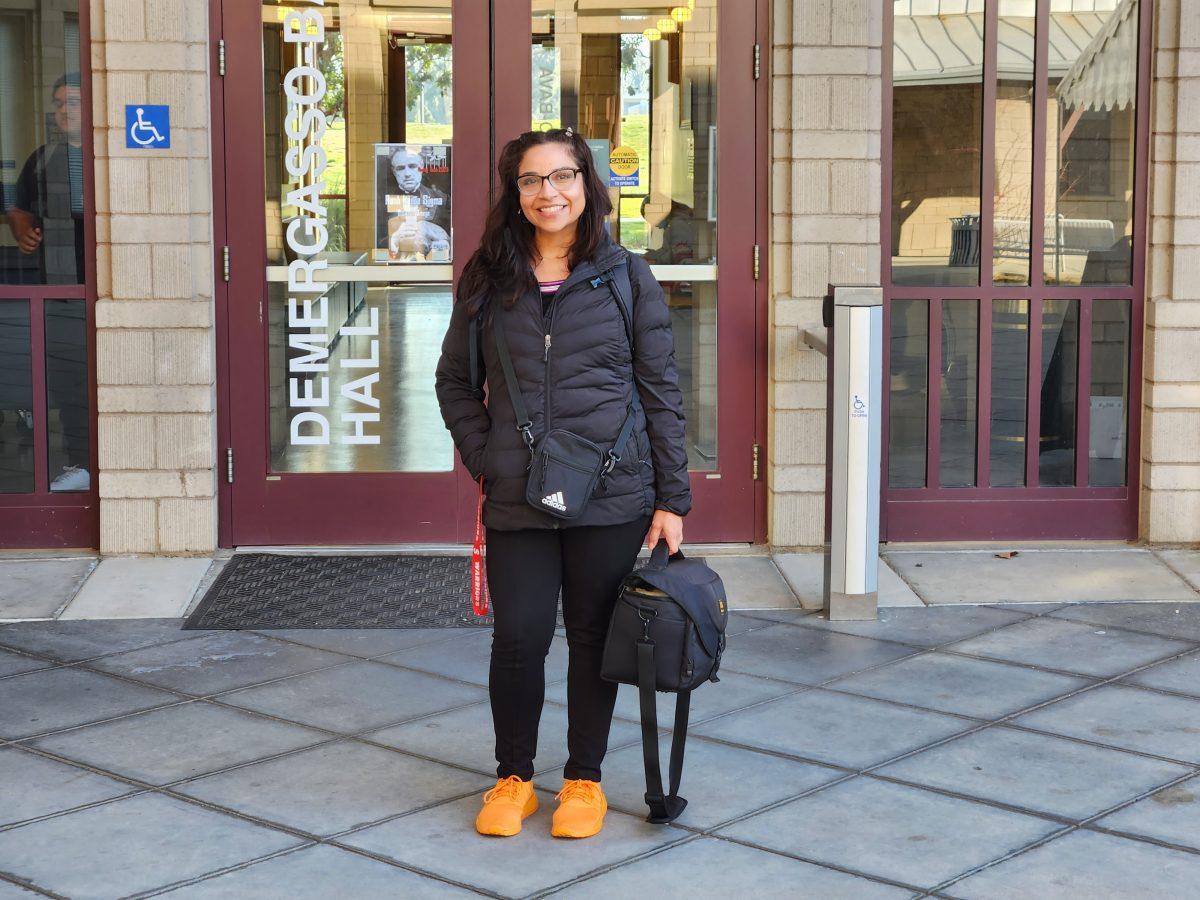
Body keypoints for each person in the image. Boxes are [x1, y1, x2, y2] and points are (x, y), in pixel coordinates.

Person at [435, 128, 690, 840]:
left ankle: (584, 779)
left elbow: (660, 389)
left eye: (563, 176)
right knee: (516, 639)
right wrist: (486, 457)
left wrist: (673, 499)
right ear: (514, 194)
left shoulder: (626, 277)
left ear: (588, 185)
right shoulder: (489, 278)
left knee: (591, 637)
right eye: (532, 180)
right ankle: (513, 777)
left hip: (611, 492)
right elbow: (455, 380)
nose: (549, 192)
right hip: (519, 491)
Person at [4, 72, 90, 492]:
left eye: (73, 102)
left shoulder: (110, 153)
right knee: (70, 374)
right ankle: (81, 465)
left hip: (107, 283)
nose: (63, 110)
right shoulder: (43, 158)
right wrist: (22, 227)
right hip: (58, 286)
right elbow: (18, 209)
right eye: (58, 103)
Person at [377, 146, 450, 259]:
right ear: (394, 171)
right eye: (401, 168)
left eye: (412, 166)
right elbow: (377, 242)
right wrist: (395, 238)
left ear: (421, 167)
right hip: (394, 264)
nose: (407, 174)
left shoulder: (442, 199)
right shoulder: (382, 201)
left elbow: (454, 237)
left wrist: (443, 242)